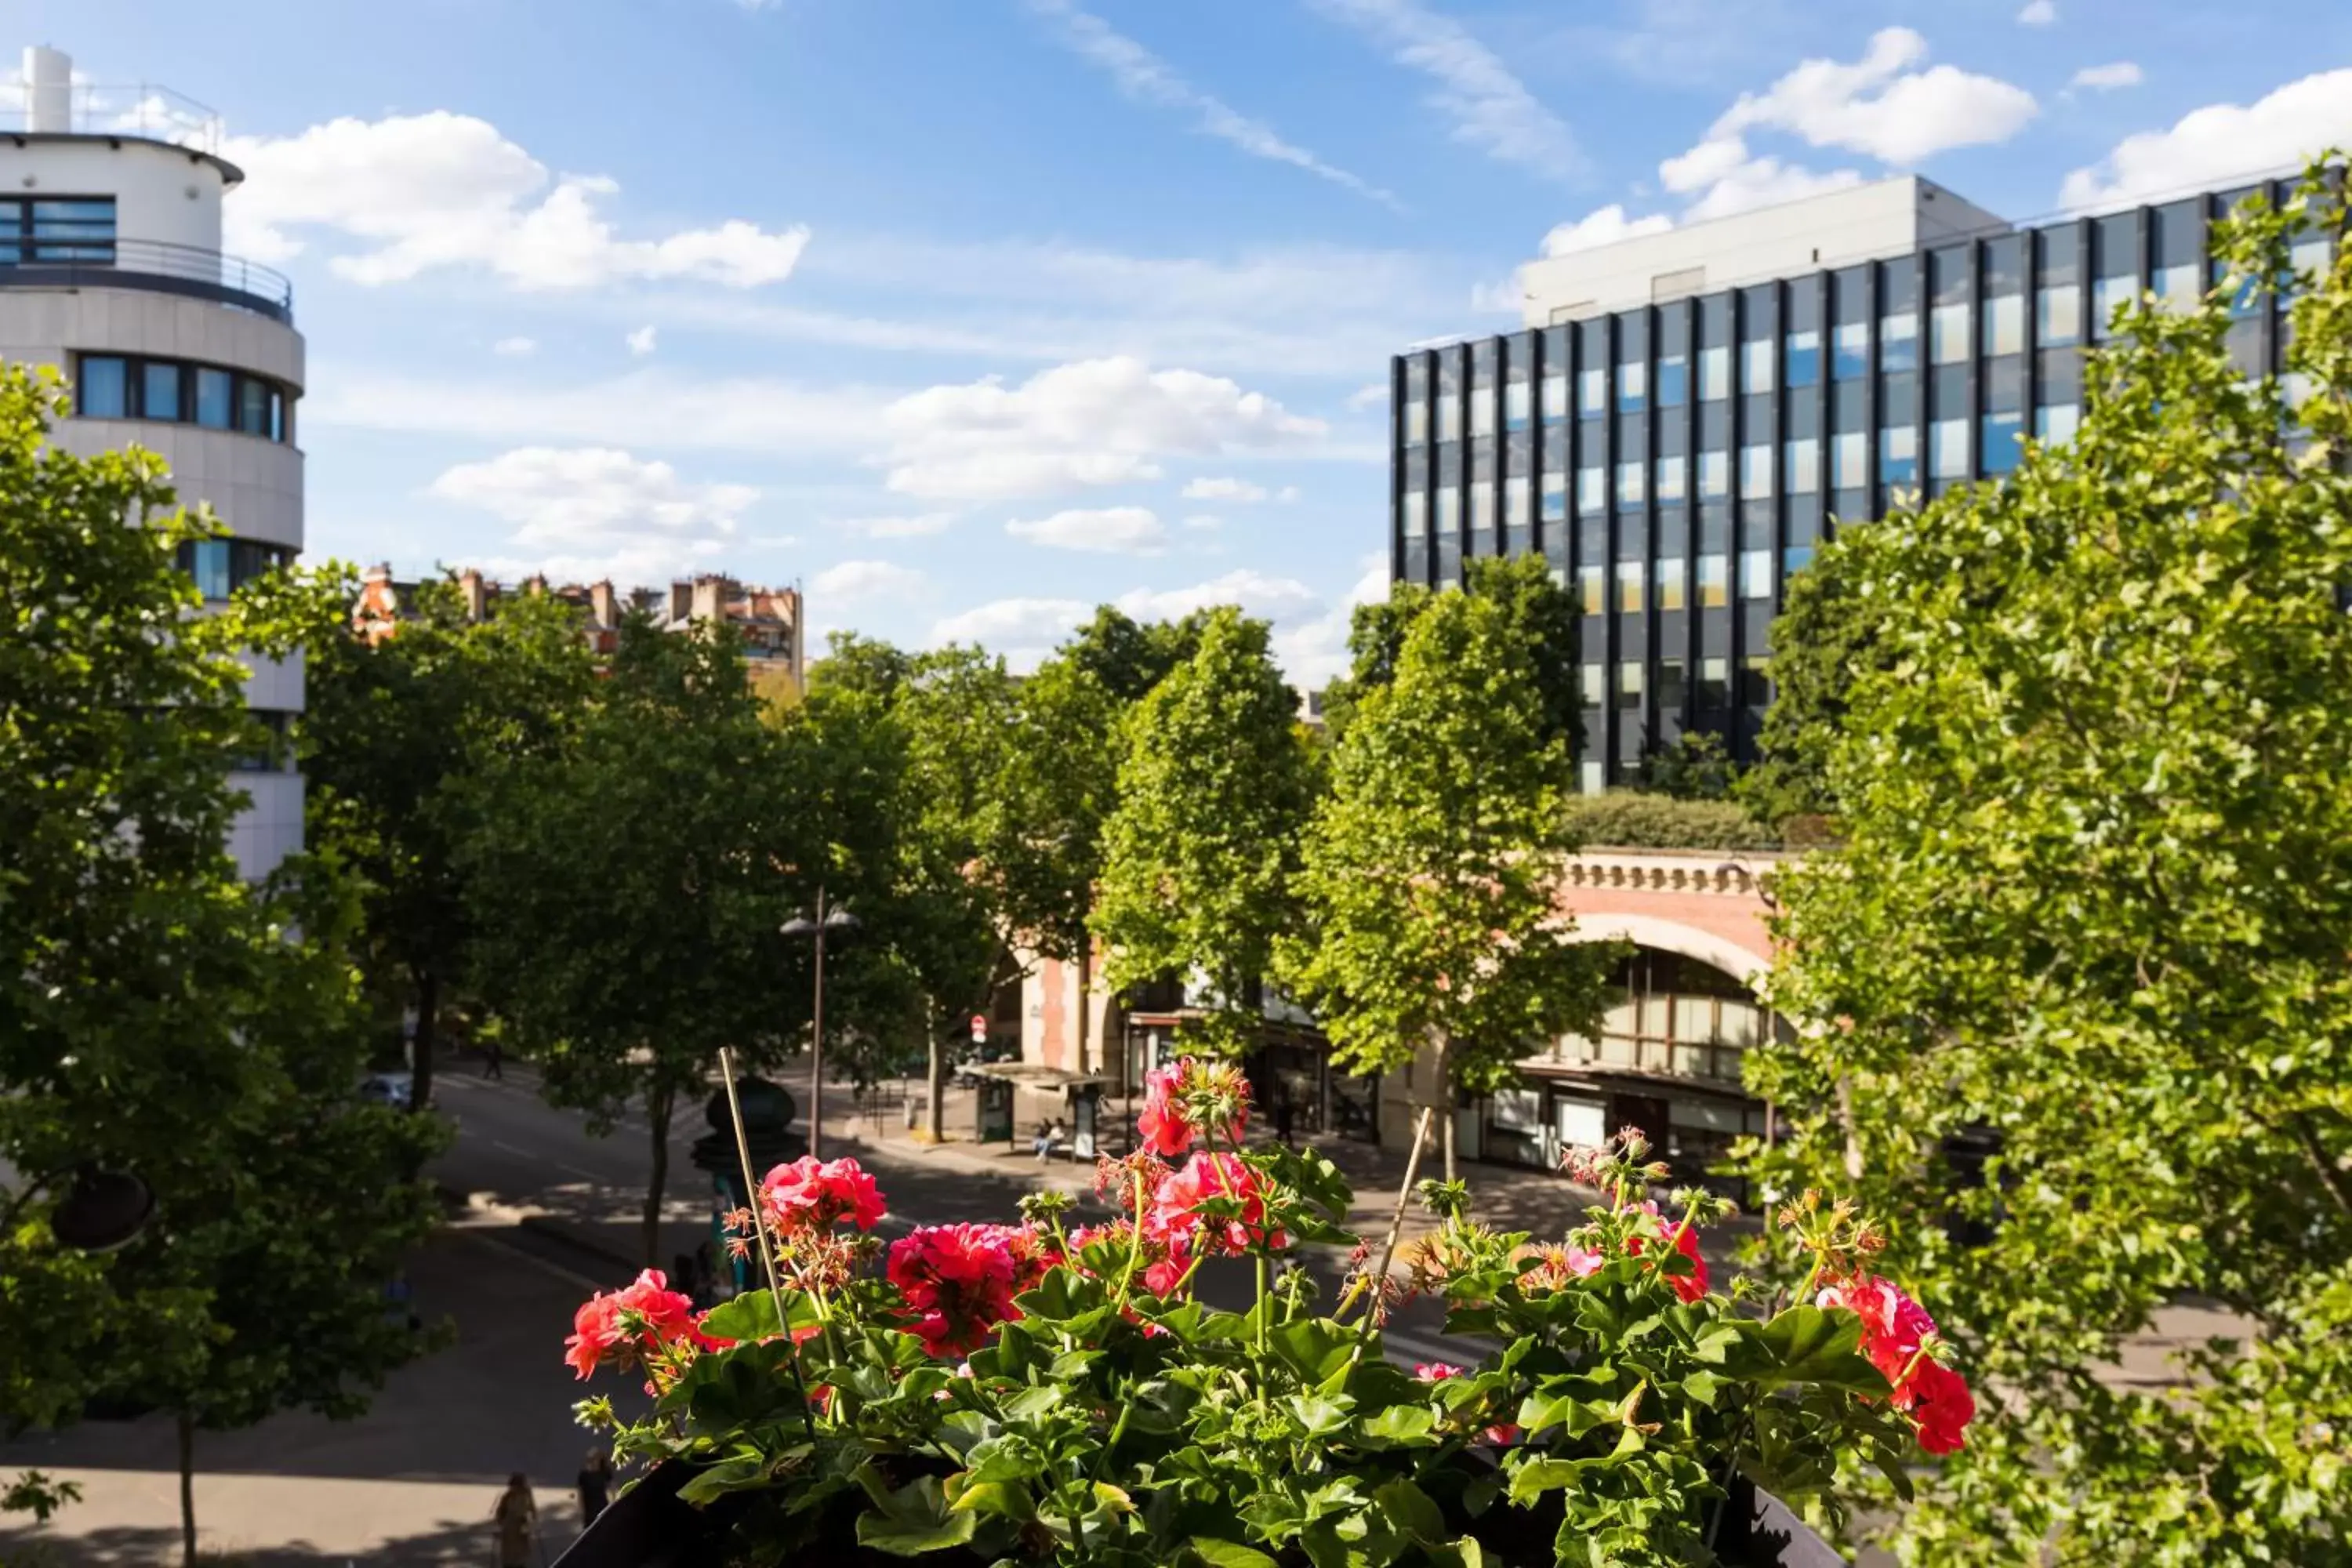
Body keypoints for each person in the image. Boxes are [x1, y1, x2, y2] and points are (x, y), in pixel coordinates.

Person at [492, 1473, 538, 1568]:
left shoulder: (526, 1495)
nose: (514, 1488)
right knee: (509, 1556)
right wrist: (499, 1522)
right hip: (508, 1530)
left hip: (519, 1529)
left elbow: (531, 1510)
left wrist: (531, 1522)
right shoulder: (507, 1496)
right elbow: (500, 1512)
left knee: (519, 1556)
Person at [576, 1448, 615, 1532]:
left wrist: (613, 1501)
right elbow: (580, 1492)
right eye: (592, 1459)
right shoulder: (584, 1475)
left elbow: (612, 1486)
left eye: (596, 1459)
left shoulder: (604, 1472)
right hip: (589, 1508)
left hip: (602, 1505)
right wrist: (581, 1508)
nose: (594, 1462)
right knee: (589, 1530)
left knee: (603, 1528)